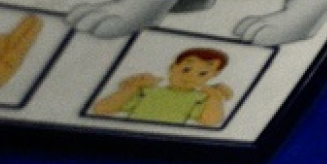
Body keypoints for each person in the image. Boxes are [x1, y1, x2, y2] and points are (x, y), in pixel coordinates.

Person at [89, 47, 233, 127]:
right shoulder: (147, 91)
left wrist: (215, 98)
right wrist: (132, 87)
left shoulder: (200, 99)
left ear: (212, 76)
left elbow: (210, 121)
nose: (190, 76)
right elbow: (102, 109)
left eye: (202, 74)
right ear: (173, 68)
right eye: (186, 69)